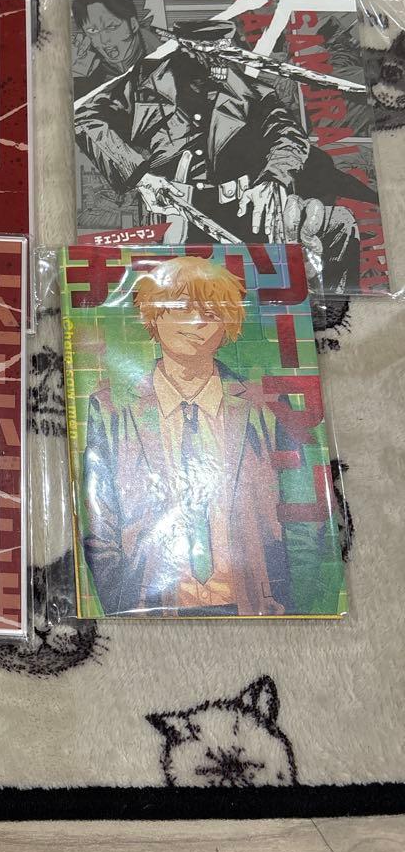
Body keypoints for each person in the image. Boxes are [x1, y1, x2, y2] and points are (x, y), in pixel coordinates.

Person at [80, 256, 298, 617]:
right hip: (150, 607)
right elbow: (99, 524)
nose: (196, 322)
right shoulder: (110, 408)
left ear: (228, 324)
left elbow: (301, 516)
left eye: (211, 313)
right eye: (181, 308)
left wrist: (293, 603)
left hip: (257, 605)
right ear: (153, 314)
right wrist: (124, 605)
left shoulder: (265, 405)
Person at [73, 18, 361, 291]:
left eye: (226, 50)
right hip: (172, 209)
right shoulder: (143, 81)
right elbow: (84, 118)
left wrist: (273, 178)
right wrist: (140, 176)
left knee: (325, 237)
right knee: (175, 292)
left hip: (241, 209)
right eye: (210, 51)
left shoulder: (254, 93)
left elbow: (289, 135)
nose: (221, 61)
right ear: (185, 49)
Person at [71, 0, 152, 99]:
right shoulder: (88, 66)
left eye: (112, 27)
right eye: (93, 30)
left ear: (133, 25)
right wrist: (79, 81)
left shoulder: (163, 56)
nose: (104, 40)